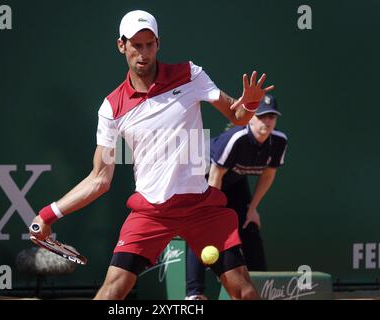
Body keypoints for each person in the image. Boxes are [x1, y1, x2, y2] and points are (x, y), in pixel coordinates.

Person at [29, 9, 275, 300]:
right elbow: (99, 179)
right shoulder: (112, 108)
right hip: (151, 213)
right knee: (111, 292)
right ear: (121, 45)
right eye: (136, 45)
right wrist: (48, 214)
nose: (143, 53)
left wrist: (248, 105)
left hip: (201, 207)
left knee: (244, 292)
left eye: (149, 44)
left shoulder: (189, 75)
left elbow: (236, 116)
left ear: (158, 44)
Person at [185, 94, 288, 300]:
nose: (267, 122)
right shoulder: (236, 138)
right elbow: (215, 175)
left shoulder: (278, 141)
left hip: (233, 177)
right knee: (202, 230)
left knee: (248, 223)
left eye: (271, 117)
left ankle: (262, 284)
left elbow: (268, 175)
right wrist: (210, 213)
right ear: (250, 118)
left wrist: (252, 208)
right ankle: (194, 294)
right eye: (262, 117)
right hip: (202, 173)